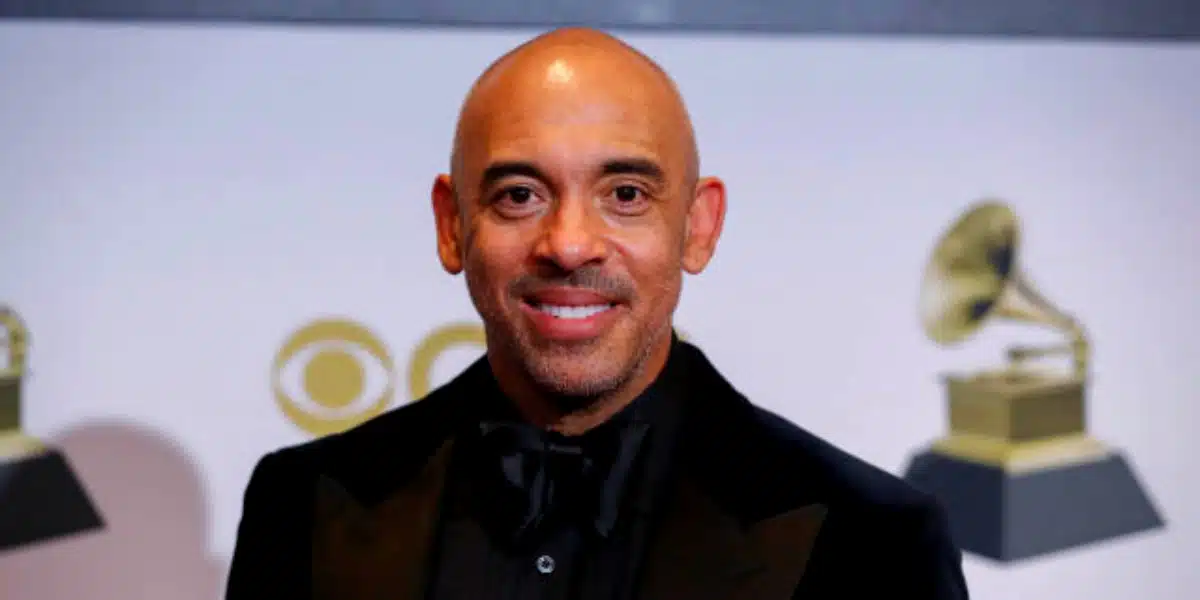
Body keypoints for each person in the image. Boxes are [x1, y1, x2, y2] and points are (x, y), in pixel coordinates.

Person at [225, 27, 970, 600]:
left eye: (626, 195)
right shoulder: (305, 504)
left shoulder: (874, 541)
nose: (569, 243)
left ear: (698, 226)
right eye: (520, 195)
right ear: (452, 225)